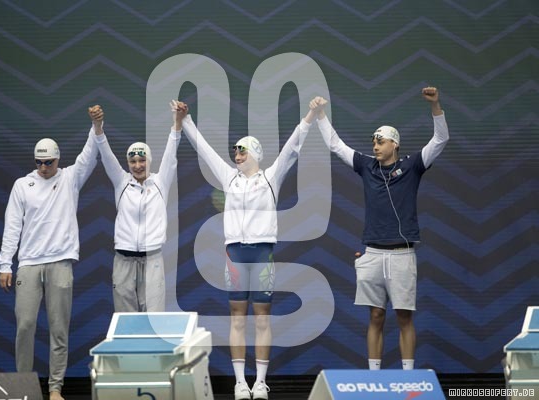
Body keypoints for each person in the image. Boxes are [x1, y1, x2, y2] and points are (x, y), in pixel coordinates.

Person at [176, 99, 322, 400]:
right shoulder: (229, 178)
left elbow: (293, 145)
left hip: (262, 254)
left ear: (255, 153)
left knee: (263, 317)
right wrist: (186, 120)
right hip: (235, 255)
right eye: (235, 151)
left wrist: (310, 114)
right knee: (237, 317)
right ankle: (241, 383)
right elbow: (204, 149)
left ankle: (261, 383)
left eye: (242, 150)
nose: (237, 155)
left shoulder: (270, 177)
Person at [313, 87, 449, 370]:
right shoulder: (366, 166)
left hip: (402, 254)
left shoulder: (413, 166)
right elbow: (335, 145)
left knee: (404, 317)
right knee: (375, 316)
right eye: (373, 141)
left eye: (381, 141)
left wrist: (435, 106)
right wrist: (321, 114)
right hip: (373, 253)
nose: (375, 146)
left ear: (394, 144)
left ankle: (408, 377)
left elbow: (440, 139)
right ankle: (374, 377)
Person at [0, 106, 103, 400]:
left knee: (59, 330)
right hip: (29, 264)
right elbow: (12, 226)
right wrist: (5, 264)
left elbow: (89, 153)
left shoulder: (70, 178)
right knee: (25, 327)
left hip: (60, 263)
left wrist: (97, 125)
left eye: (49, 162)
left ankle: (56, 387)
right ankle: (23, 387)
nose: (44, 167)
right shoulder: (23, 185)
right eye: (39, 162)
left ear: (58, 159)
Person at [92, 102, 182, 312]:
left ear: (149, 161)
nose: (138, 165)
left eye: (142, 160)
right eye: (132, 161)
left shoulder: (160, 182)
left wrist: (177, 122)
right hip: (123, 260)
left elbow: (171, 152)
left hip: (153, 259)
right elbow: (106, 153)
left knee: (154, 318)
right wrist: (97, 126)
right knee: (126, 320)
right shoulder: (121, 182)